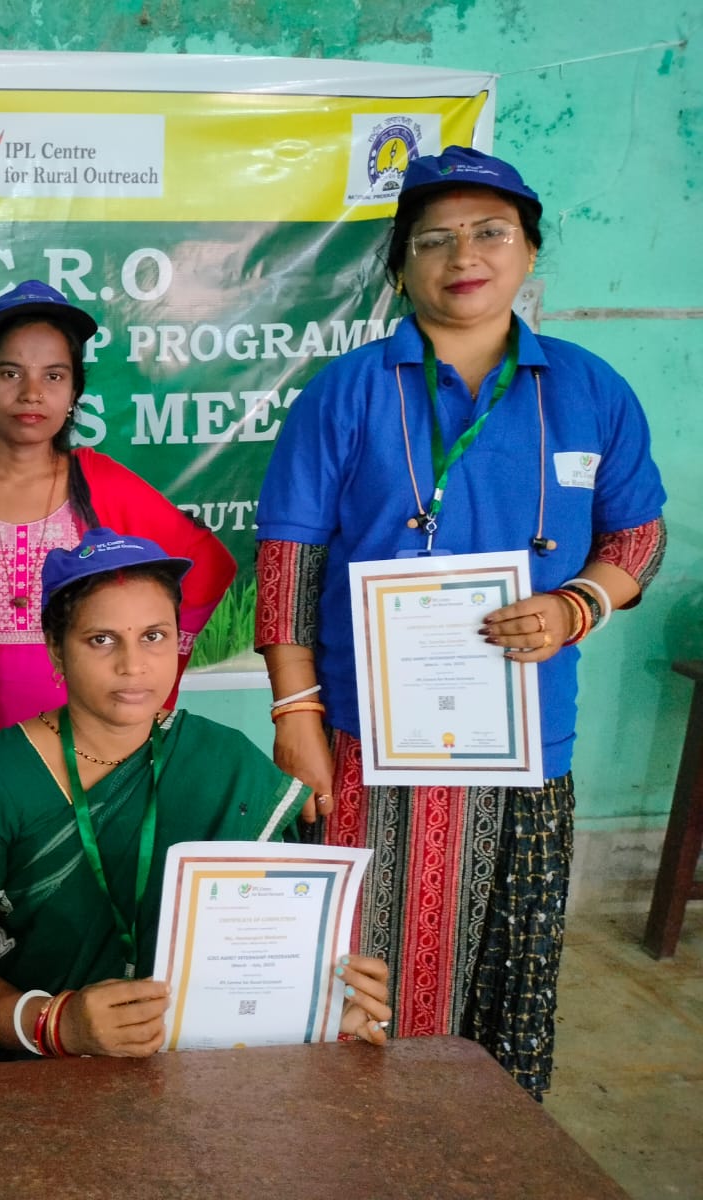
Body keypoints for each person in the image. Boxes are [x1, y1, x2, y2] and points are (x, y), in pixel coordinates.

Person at [254, 145, 667, 1098]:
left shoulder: (589, 389)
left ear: (529, 254)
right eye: (433, 239)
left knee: (507, 968)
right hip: (363, 738)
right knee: (352, 969)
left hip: (524, 745)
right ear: (402, 266)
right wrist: (295, 716)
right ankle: (346, 1151)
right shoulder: (348, 391)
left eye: (490, 233)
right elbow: (289, 560)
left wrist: (579, 603)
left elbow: (638, 536)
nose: (462, 255)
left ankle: (491, 1151)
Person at [0, 529, 390, 1057]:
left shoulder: (226, 763)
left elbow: (267, 946)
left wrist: (325, 999)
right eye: (101, 639)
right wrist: (58, 1025)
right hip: (37, 1085)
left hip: (201, 1078)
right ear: (56, 652)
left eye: (153, 636)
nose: (133, 665)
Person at [0, 280, 236, 787]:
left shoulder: (102, 483)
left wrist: (151, 682)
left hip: (87, 755)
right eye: (11, 373)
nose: (32, 393)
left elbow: (206, 565)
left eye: (54, 375)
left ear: (74, 393)